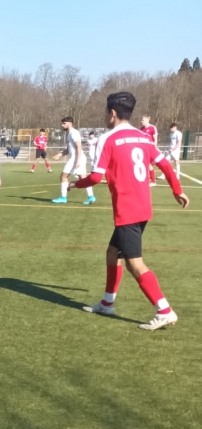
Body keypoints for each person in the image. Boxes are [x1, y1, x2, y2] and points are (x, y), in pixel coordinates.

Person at [75, 91, 188, 331]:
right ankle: (107, 303)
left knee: (135, 264)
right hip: (142, 208)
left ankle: (164, 310)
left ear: (112, 113)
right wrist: (177, 191)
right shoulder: (143, 137)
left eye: (105, 112)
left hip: (127, 211)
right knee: (112, 253)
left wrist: (76, 184)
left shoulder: (108, 139)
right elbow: (165, 165)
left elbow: (95, 177)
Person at [52, 115, 94, 205]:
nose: (62, 125)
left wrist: (78, 160)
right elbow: (69, 149)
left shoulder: (74, 133)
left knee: (63, 176)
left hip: (76, 158)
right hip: (77, 158)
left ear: (70, 123)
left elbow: (79, 146)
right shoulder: (70, 134)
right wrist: (59, 155)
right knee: (83, 179)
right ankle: (91, 197)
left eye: (64, 123)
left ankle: (63, 198)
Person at [140, 114, 158, 185]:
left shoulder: (152, 128)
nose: (141, 121)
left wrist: (154, 148)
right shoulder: (141, 129)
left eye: (143, 120)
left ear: (148, 119)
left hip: (150, 149)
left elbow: (155, 139)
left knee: (149, 165)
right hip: (143, 150)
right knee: (145, 165)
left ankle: (153, 181)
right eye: (141, 120)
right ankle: (148, 180)